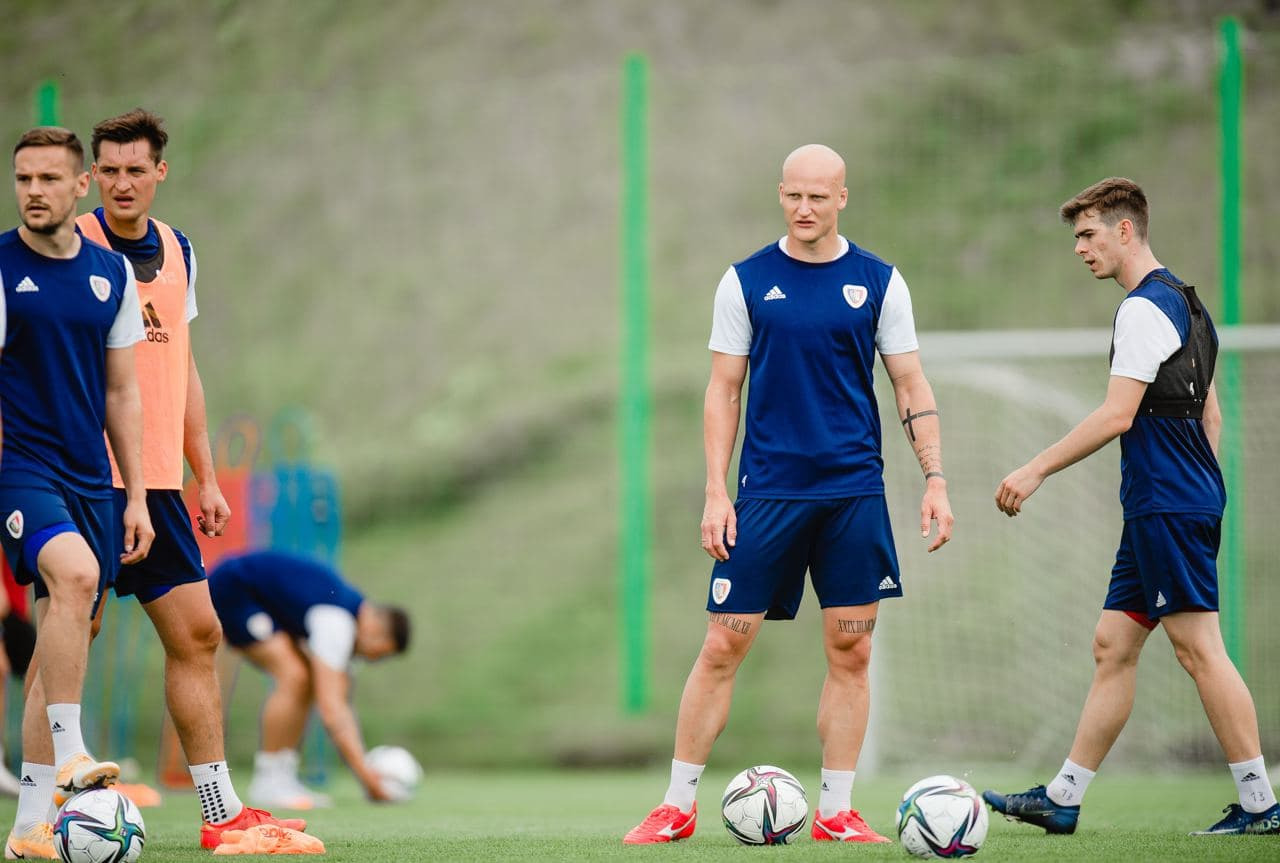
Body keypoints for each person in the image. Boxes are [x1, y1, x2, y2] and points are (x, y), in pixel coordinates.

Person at [624, 144, 953, 845]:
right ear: (780, 193)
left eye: (818, 196)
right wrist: (716, 492)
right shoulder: (745, 281)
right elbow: (724, 389)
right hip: (768, 493)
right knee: (722, 643)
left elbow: (910, 382)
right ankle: (676, 806)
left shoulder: (879, 282)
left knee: (852, 652)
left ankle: (836, 811)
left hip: (853, 493)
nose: (804, 208)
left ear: (842, 198)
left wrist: (935, 477)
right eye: (794, 195)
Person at [983, 177, 1279, 837]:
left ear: (1125, 230)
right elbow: (1211, 416)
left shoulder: (1143, 308)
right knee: (1112, 644)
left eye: (1089, 234)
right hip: (1172, 500)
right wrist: (1200, 491)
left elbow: (1118, 414)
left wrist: (1034, 468)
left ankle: (1262, 804)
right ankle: (1062, 797)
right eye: (1076, 237)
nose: (1080, 248)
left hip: (1167, 503)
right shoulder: (1190, 304)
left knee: (1199, 649)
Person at [73, 108, 308, 851]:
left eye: (136, 169)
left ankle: (219, 811)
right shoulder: (68, 245)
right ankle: (43, 812)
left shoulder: (179, 250)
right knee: (71, 632)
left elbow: (182, 366)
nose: (122, 183)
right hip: (85, 475)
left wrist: (205, 475)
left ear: (160, 172)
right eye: (109, 170)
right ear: (91, 175)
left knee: (199, 634)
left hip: (160, 484)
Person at [0, 126, 155, 859]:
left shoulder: (112, 274)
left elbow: (123, 393)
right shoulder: (1, 267)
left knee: (63, 644)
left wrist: (136, 496)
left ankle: (30, 826)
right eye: (23, 179)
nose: (33, 192)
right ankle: (71, 754)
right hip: (20, 467)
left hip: (92, 478)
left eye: (48, 179)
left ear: (80, 185)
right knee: (77, 575)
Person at [207, 549, 412, 806]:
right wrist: (369, 781)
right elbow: (333, 711)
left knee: (304, 679)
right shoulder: (337, 622)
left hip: (256, 595)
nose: (371, 659)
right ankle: (268, 782)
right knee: (294, 676)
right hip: (235, 587)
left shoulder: (347, 613)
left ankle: (282, 778)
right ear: (373, 627)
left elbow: (340, 702)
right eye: (378, 654)